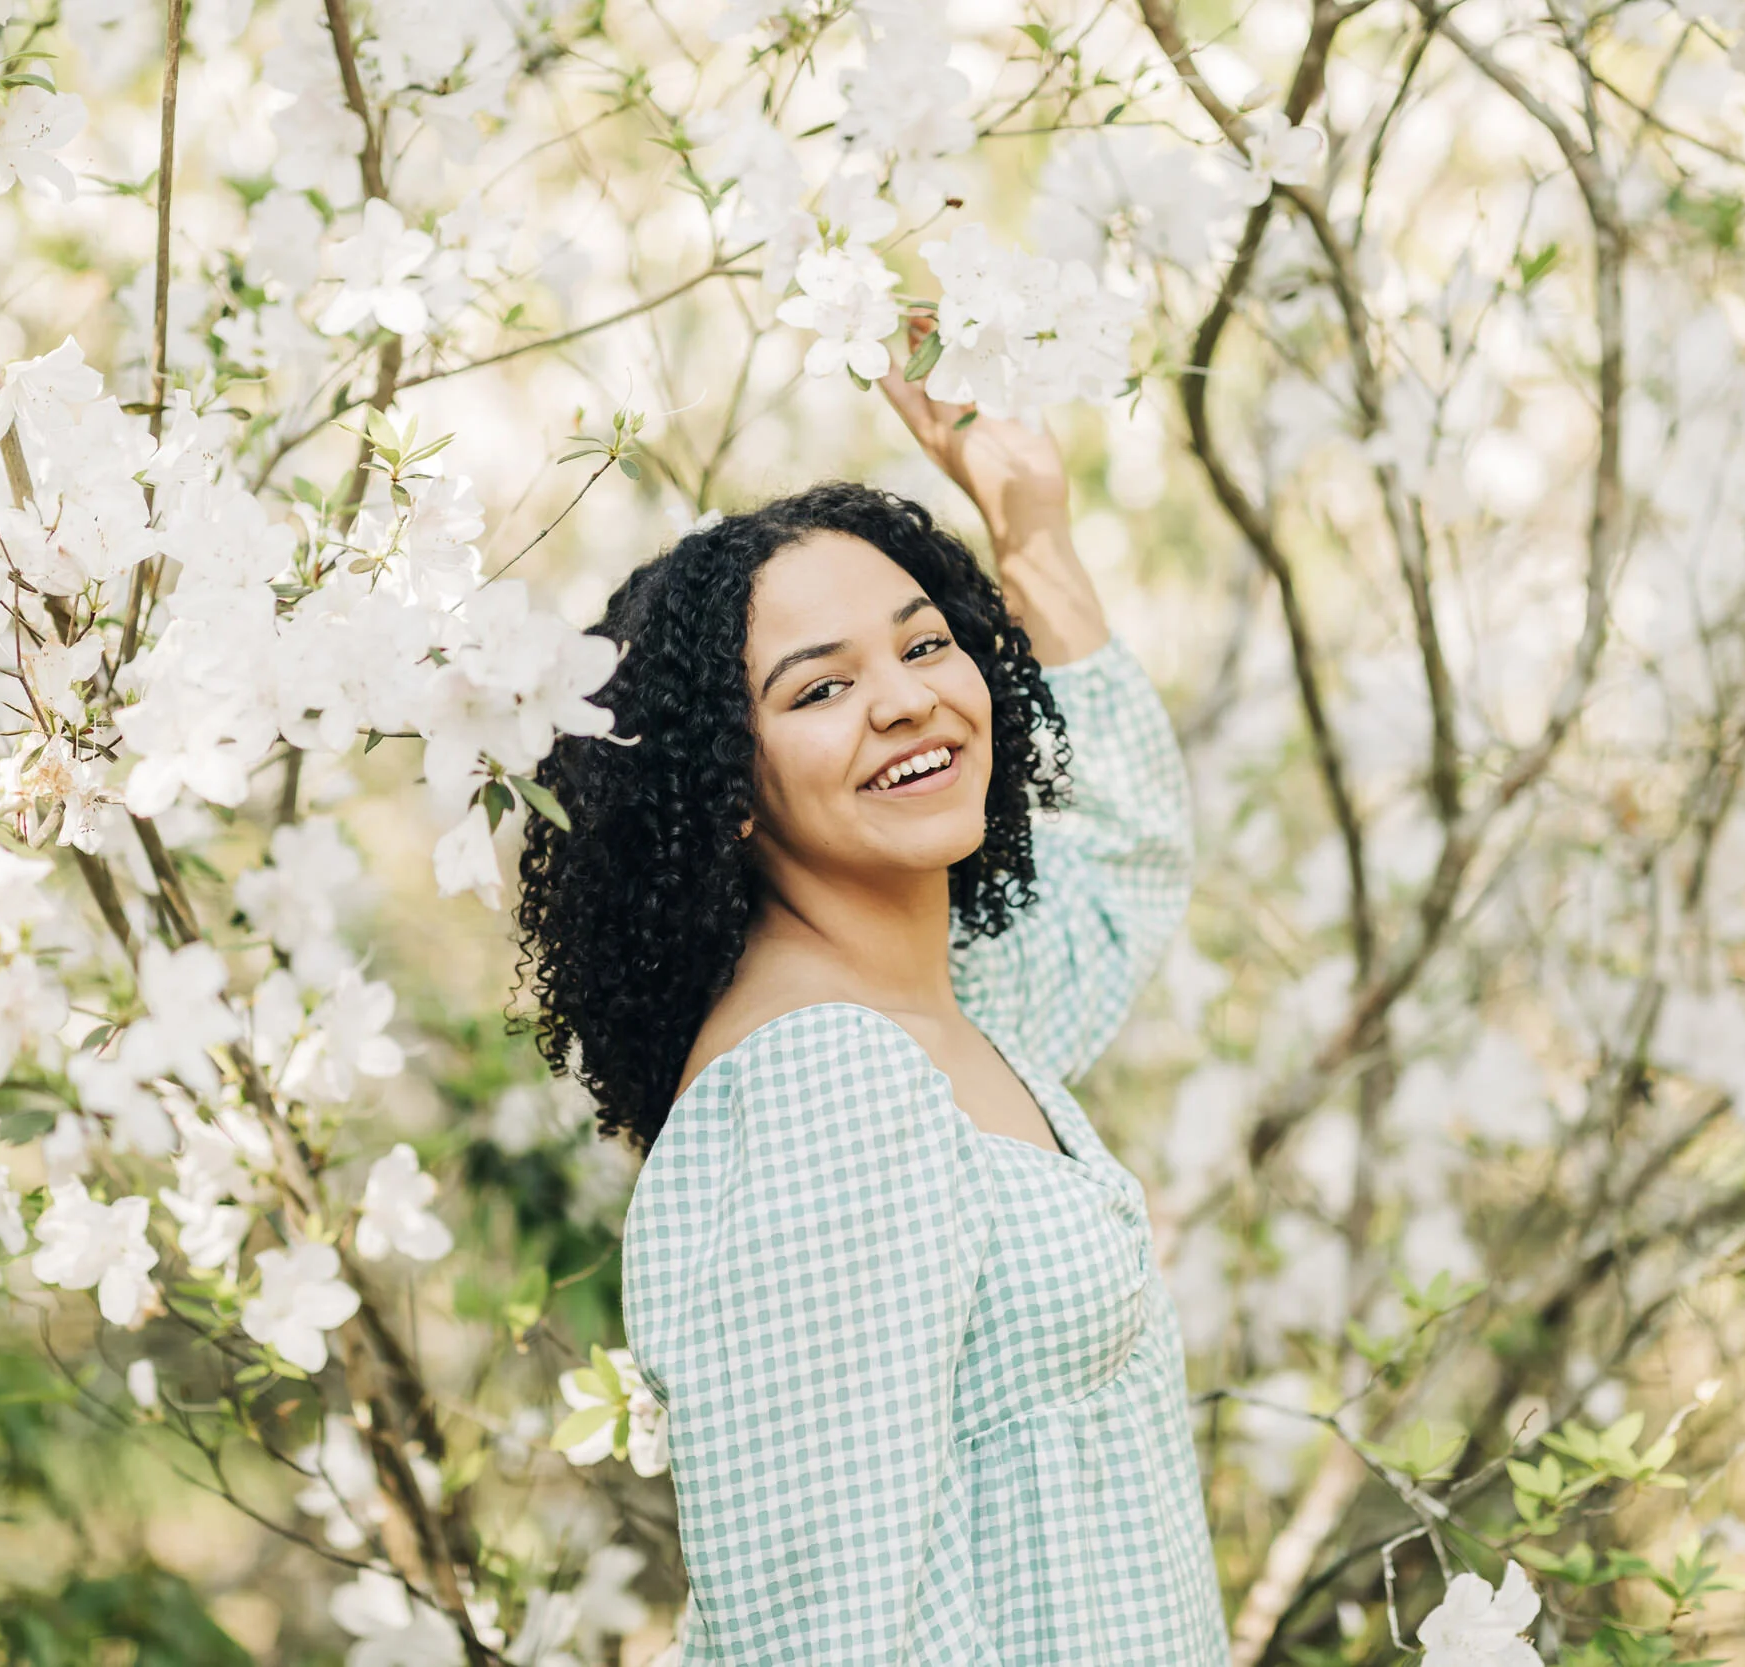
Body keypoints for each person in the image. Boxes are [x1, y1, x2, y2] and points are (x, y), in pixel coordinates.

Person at [513, 361, 1226, 1664]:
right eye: (818, 687)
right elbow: (825, 1631)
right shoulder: (821, 1088)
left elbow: (1124, 860)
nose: (906, 696)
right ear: (730, 785)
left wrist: (1033, 535)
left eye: (923, 643)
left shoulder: (943, 1008)